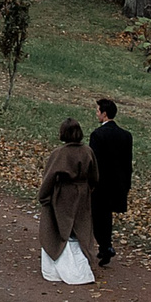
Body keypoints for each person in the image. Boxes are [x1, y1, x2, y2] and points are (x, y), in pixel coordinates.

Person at [39, 118, 99, 284]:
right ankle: (83, 266)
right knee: (81, 229)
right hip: (83, 194)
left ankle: (66, 270)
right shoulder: (88, 151)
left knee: (60, 230)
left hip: (63, 195)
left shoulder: (59, 154)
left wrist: (44, 197)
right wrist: (87, 190)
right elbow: (94, 177)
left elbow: (49, 177)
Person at [89, 97, 132, 265]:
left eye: (98, 111)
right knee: (106, 216)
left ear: (104, 114)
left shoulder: (97, 135)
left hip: (100, 184)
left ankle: (105, 246)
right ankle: (104, 247)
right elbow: (127, 162)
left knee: (98, 216)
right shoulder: (126, 136)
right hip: (118, 183)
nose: (96, 113)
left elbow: (94, 161)